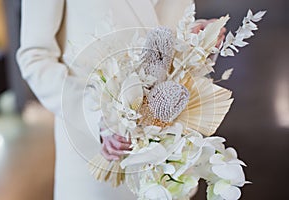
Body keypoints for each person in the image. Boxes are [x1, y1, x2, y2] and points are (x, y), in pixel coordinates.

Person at [17, 0, 225, 199]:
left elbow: (161, 31)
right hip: (96, 156)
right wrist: (99, 115)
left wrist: (199, 41)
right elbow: (35, 58)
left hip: (171, 161)